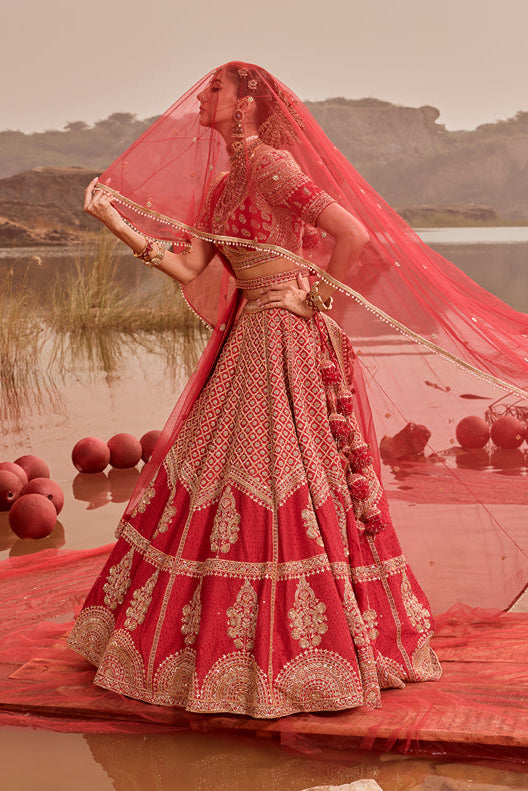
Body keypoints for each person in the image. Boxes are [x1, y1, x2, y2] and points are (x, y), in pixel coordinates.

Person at [69, 60, 528, 718]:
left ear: (249, 103)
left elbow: (354, 233)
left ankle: (300, 651)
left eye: (216, 88)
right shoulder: (224, 184)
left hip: (283, 338)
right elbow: (191, 266)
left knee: (282, 475)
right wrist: (115, 221)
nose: (202, 96)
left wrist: (318, 302)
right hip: (247, 337)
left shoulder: (274, 168)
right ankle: (216, 644)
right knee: (223, 471)